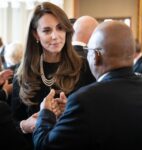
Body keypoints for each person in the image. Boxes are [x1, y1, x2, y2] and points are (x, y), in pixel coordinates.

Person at [33, 21, 142, 150]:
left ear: (95, 56)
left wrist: (46, 113)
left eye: (88, 50)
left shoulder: (84, 101)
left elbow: (45, 146)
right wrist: (70, 113)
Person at [10, 1, 95, 149]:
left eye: (60, 28)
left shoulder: (84, 66)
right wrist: (25, 125)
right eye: (47, 30)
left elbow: (96, 115)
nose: (55, 36)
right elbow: (12, 122)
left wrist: (70, 110)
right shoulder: (22, 72)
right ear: (36, 34)